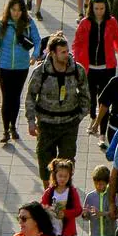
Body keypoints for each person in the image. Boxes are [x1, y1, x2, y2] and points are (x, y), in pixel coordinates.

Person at [24, 33, 91, 181]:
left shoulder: (77, 70)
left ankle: (64, 199)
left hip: (69, 125)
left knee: (66, 166)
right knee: (45, 165)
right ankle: (48, 198)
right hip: (46, 125)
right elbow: (30, 96)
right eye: (63, 52)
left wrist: (78, 118)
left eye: (67, 51)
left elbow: (86, 96)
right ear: (53, 53)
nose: (67, 55)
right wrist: (30, 121)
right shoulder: (41, 72)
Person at [0, 0, 41, 145]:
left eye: (19, 10)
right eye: (13, 9)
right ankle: (5, 130)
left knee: (15, 98)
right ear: (9, 10)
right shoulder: (2, 25)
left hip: (21, 67)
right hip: (4, 67)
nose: (16, 13)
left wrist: (35, 55)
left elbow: (37, 40)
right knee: (6, 99)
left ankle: (13, 126)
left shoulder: (28, 24)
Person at [72, 0, 118, 122]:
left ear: (106, 8)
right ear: (91, 8)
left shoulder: (111, 22)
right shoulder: (85, 23)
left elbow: (117, 40)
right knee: (90, 96)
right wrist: (76, 60)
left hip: (107, 67)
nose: (99, 11)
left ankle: (100, 123)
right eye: (96, 8)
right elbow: (77, 44)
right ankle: (93, 116)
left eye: (102, 8)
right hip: (88, 66)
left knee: (105, 97)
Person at [39, 159, 83, 236]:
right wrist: (48, 209)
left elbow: (78, 210)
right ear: (55, 175)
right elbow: (42, 207)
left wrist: (65, 213)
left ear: (69, 177)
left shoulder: (72, 191)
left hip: (67, 231)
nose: (62, 179)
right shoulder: (50, 192)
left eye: (65, 176)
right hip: (53, 230)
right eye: (60, 176)